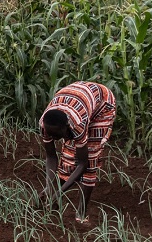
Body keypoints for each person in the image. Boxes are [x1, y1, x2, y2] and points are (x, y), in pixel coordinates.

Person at [39, 81, 116, 224]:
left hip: (102, 104)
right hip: (78, 98)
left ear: (67, 126)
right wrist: (50, 188)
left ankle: (81, 214)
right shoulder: (45, 125)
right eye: (51, 135)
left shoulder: (78, 124)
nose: (55, 138)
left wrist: (59, 194)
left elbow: (83, 164)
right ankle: (54, 200)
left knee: (91, 156)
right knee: (68, 156)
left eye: (58, 135)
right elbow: (50, 157)